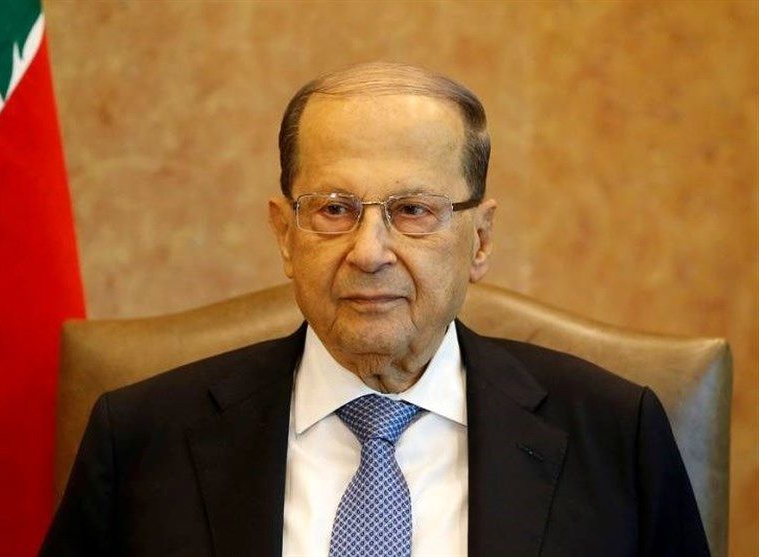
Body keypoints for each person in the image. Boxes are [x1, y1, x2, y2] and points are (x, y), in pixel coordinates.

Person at [39, 62, 710, 557]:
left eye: (413, 210)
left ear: (480, 240)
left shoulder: (615, 436)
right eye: (334, 209)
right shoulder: (141, 439)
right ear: (285, 235)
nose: (369, 252)